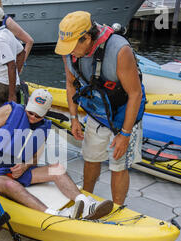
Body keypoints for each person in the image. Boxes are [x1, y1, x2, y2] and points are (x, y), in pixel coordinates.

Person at [0, 88, 113, 219]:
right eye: (30, 112)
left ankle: (85, 202)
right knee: (11, 185)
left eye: (38, 115)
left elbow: (34, 159)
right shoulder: (11, 110)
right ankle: (54, 214)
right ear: (28, 104)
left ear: (46, 112)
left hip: (18, 171)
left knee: (57, 169)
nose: (33, 117)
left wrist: (24, 166)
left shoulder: (44, 126)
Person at [55, 11, 146, 205]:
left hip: (124, 111)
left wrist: (125, 134)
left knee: (118, 165)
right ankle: (85, 198)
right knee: (91, 156)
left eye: (72, 46)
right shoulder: (69, 53)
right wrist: (73, 118)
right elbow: (71, 84)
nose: (68, 51)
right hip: (98, 110)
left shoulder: (120, 51)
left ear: (87, 38)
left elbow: (135, 94)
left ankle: (118, 208)